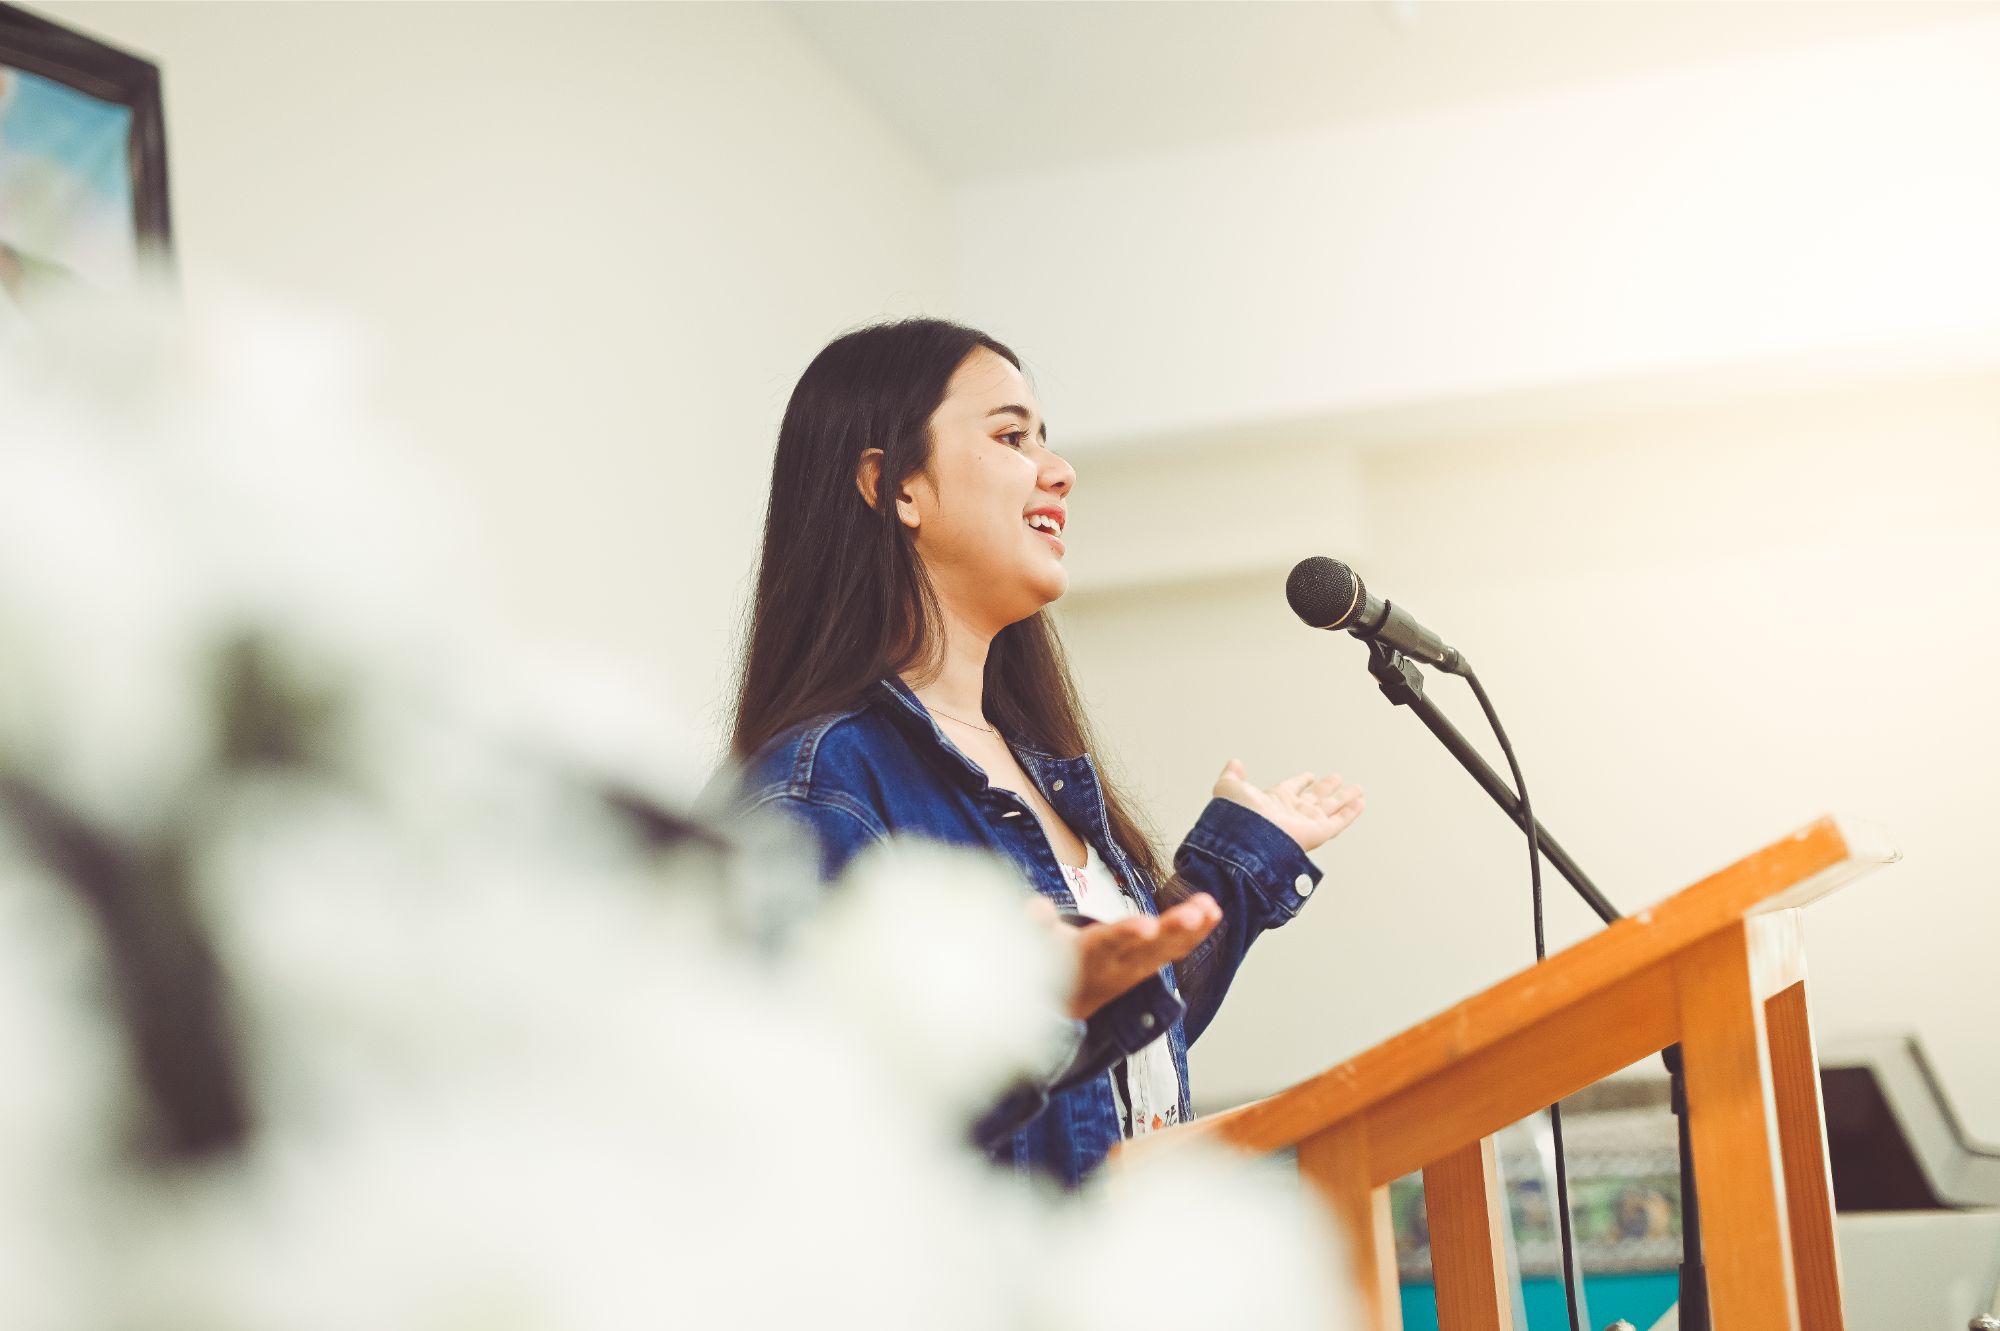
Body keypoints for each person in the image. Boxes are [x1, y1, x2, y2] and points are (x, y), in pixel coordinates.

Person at [724, 318, 1364, 1187]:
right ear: (894, 485)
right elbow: (816, 1121)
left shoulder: (1045, 770)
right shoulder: (823, 787)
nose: (1057, 470)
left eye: (1047, 441)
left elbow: (1125, 1054)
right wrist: (1032, 1017)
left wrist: (1242, 860)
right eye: (1011, 435)